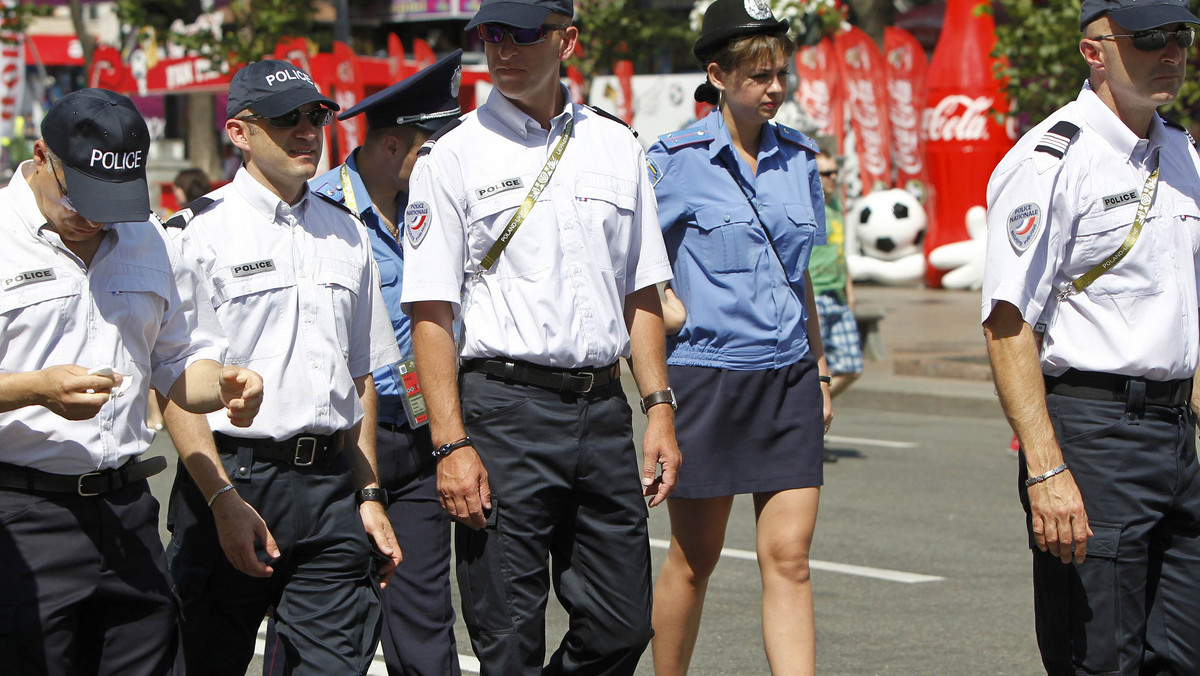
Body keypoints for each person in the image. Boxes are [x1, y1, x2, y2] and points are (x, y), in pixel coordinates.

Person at [400, 0, 682, 672]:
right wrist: (451, 444)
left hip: (602, 409)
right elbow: (430, 316)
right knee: (509, 638)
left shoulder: (617, 145)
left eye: (523, 33)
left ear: (567, 41)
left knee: (621, 626)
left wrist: (660, 409)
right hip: (503, 411)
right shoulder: (451, 157)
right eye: (490, 35)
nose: (502, 49)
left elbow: (641, 290)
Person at [0, 87, 262, 675]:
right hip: (19, 513)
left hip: (125, 510)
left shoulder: (150, 238)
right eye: (81, 198)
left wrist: (223, 385)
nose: (94, 218)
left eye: (112, 200)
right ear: (43, 157)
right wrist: (34, 388)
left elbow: (177, 365)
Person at [163, 60, 403, 676]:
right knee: (205, 662)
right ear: (240, 133)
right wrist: (220, 499)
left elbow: (360, 379)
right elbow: (173, 385)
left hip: (327, 489)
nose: (307, 131)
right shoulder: (193, 234)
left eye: (316, 115)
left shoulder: (348, 234)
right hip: (232, 480)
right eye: (285, 119)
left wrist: (370, 493)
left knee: (335, 666)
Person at [982, 1, 1200, 673]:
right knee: (1100, 659)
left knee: (1185, 658)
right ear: (1093, 51)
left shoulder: (1185, 153)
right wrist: (1047, 469)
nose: (1171, 53)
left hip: (1177, 438)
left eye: (1182, 37)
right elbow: (1008, 320)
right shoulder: (1051, 159)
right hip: (1094, 433)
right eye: (1150, 38)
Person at [644, 0, 833, 672]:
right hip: (707, 378)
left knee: (791, 559)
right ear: (719, 74)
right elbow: (632, 269)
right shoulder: (675, 161)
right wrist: (668, 317)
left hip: (787, 379)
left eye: (780, 72)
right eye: (758, 74)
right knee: (695, 561)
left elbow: (800, 276)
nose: (774, 87)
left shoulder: (800, 159)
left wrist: (819, 366)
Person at [270, 50, 466, 676]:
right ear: (389, 147)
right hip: (342, 444)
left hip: (420, 433)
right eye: (429, 149)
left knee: (425, 626)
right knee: (321, 626)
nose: (442, 163)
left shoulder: (436, 210)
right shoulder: (318, 211)